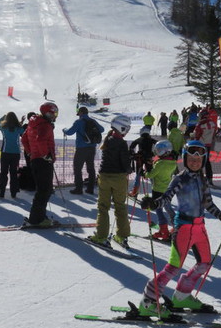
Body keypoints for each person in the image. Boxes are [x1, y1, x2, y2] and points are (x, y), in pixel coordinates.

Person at [137, 140, 221, 318]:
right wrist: (153, 203)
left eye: (198, 160)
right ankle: (148, 301)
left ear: (203, 161)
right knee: (173, 267)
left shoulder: (202, 179)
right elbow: (166, 197)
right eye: (191, 159)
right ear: (185, 159)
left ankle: (182, 296)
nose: (195, 162)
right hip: (183, 227)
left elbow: (208, 204)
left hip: (199, 228)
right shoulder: (180, 179)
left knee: (204, 263)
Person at [87, 115, 132, 248]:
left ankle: (101, 236)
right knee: (120, 206)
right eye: (126, 128)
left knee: (103, 207)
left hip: (105, 177)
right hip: (119, 178)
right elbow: (125, 163)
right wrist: (130, 167)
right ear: (121, 128)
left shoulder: (108, 139)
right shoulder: (121, 143)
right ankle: (122, 236)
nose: (127, 131)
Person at [21, 102, 58, 227]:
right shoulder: (45, 125)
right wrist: (45, 155)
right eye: (53, 114)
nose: (54, 116)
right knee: (45, 190)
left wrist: (30, 152)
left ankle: (39, 216)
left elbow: (24, 139)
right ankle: (37, 220)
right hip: (43, 161)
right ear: (47, 113)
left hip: (36, 160)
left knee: (43, 190)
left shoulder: (34, 123)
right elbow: (41, 140)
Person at [62, 106, 104, 195]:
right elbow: (102, 129)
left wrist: (64, 130)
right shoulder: (93, 121)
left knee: (77, 168)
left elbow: (70, 132)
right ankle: (90, 188)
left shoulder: (78, 122)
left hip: (81, 149)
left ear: (81, 113)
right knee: (90, 168)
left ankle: (78, 188)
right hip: (92, 148)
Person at [145, 140, 178, 241]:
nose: (157, 153)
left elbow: (150, 175)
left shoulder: (160, 164)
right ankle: (177, 227)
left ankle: (163, 231)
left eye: (159, 150)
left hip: (158, 190)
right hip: (167, 190)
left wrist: (145, 171)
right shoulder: (173, 162)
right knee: (169, 209)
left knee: (159, 210)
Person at [0, 112, 26, 199]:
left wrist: (3, 116)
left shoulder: (3, 128)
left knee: (3, 173)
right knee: (13, 173)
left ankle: (1, 192)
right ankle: (14, 192)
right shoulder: (18, 128)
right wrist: (21, 122)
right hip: (16, 153)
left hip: (5, 153)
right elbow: (21, 130)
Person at [128, 126, 157, 197]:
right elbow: (158, 144)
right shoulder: (151, 140)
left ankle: (135, 192)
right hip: (148, 158)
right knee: (151, 173)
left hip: (140, 158)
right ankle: (155, 191)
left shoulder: (139, 139)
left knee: (138, 174)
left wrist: (133, 154)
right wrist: (154, 154)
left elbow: (131, 147)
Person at [193, 109, 218, 186]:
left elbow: (196, 135)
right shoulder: (213, 123)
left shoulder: (200, 124)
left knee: (198, 161)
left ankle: (199, 179)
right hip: (208, 144)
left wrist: (193, 137)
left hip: (200, 145)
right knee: (207, 162)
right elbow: (214, 133)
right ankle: (209, 178)